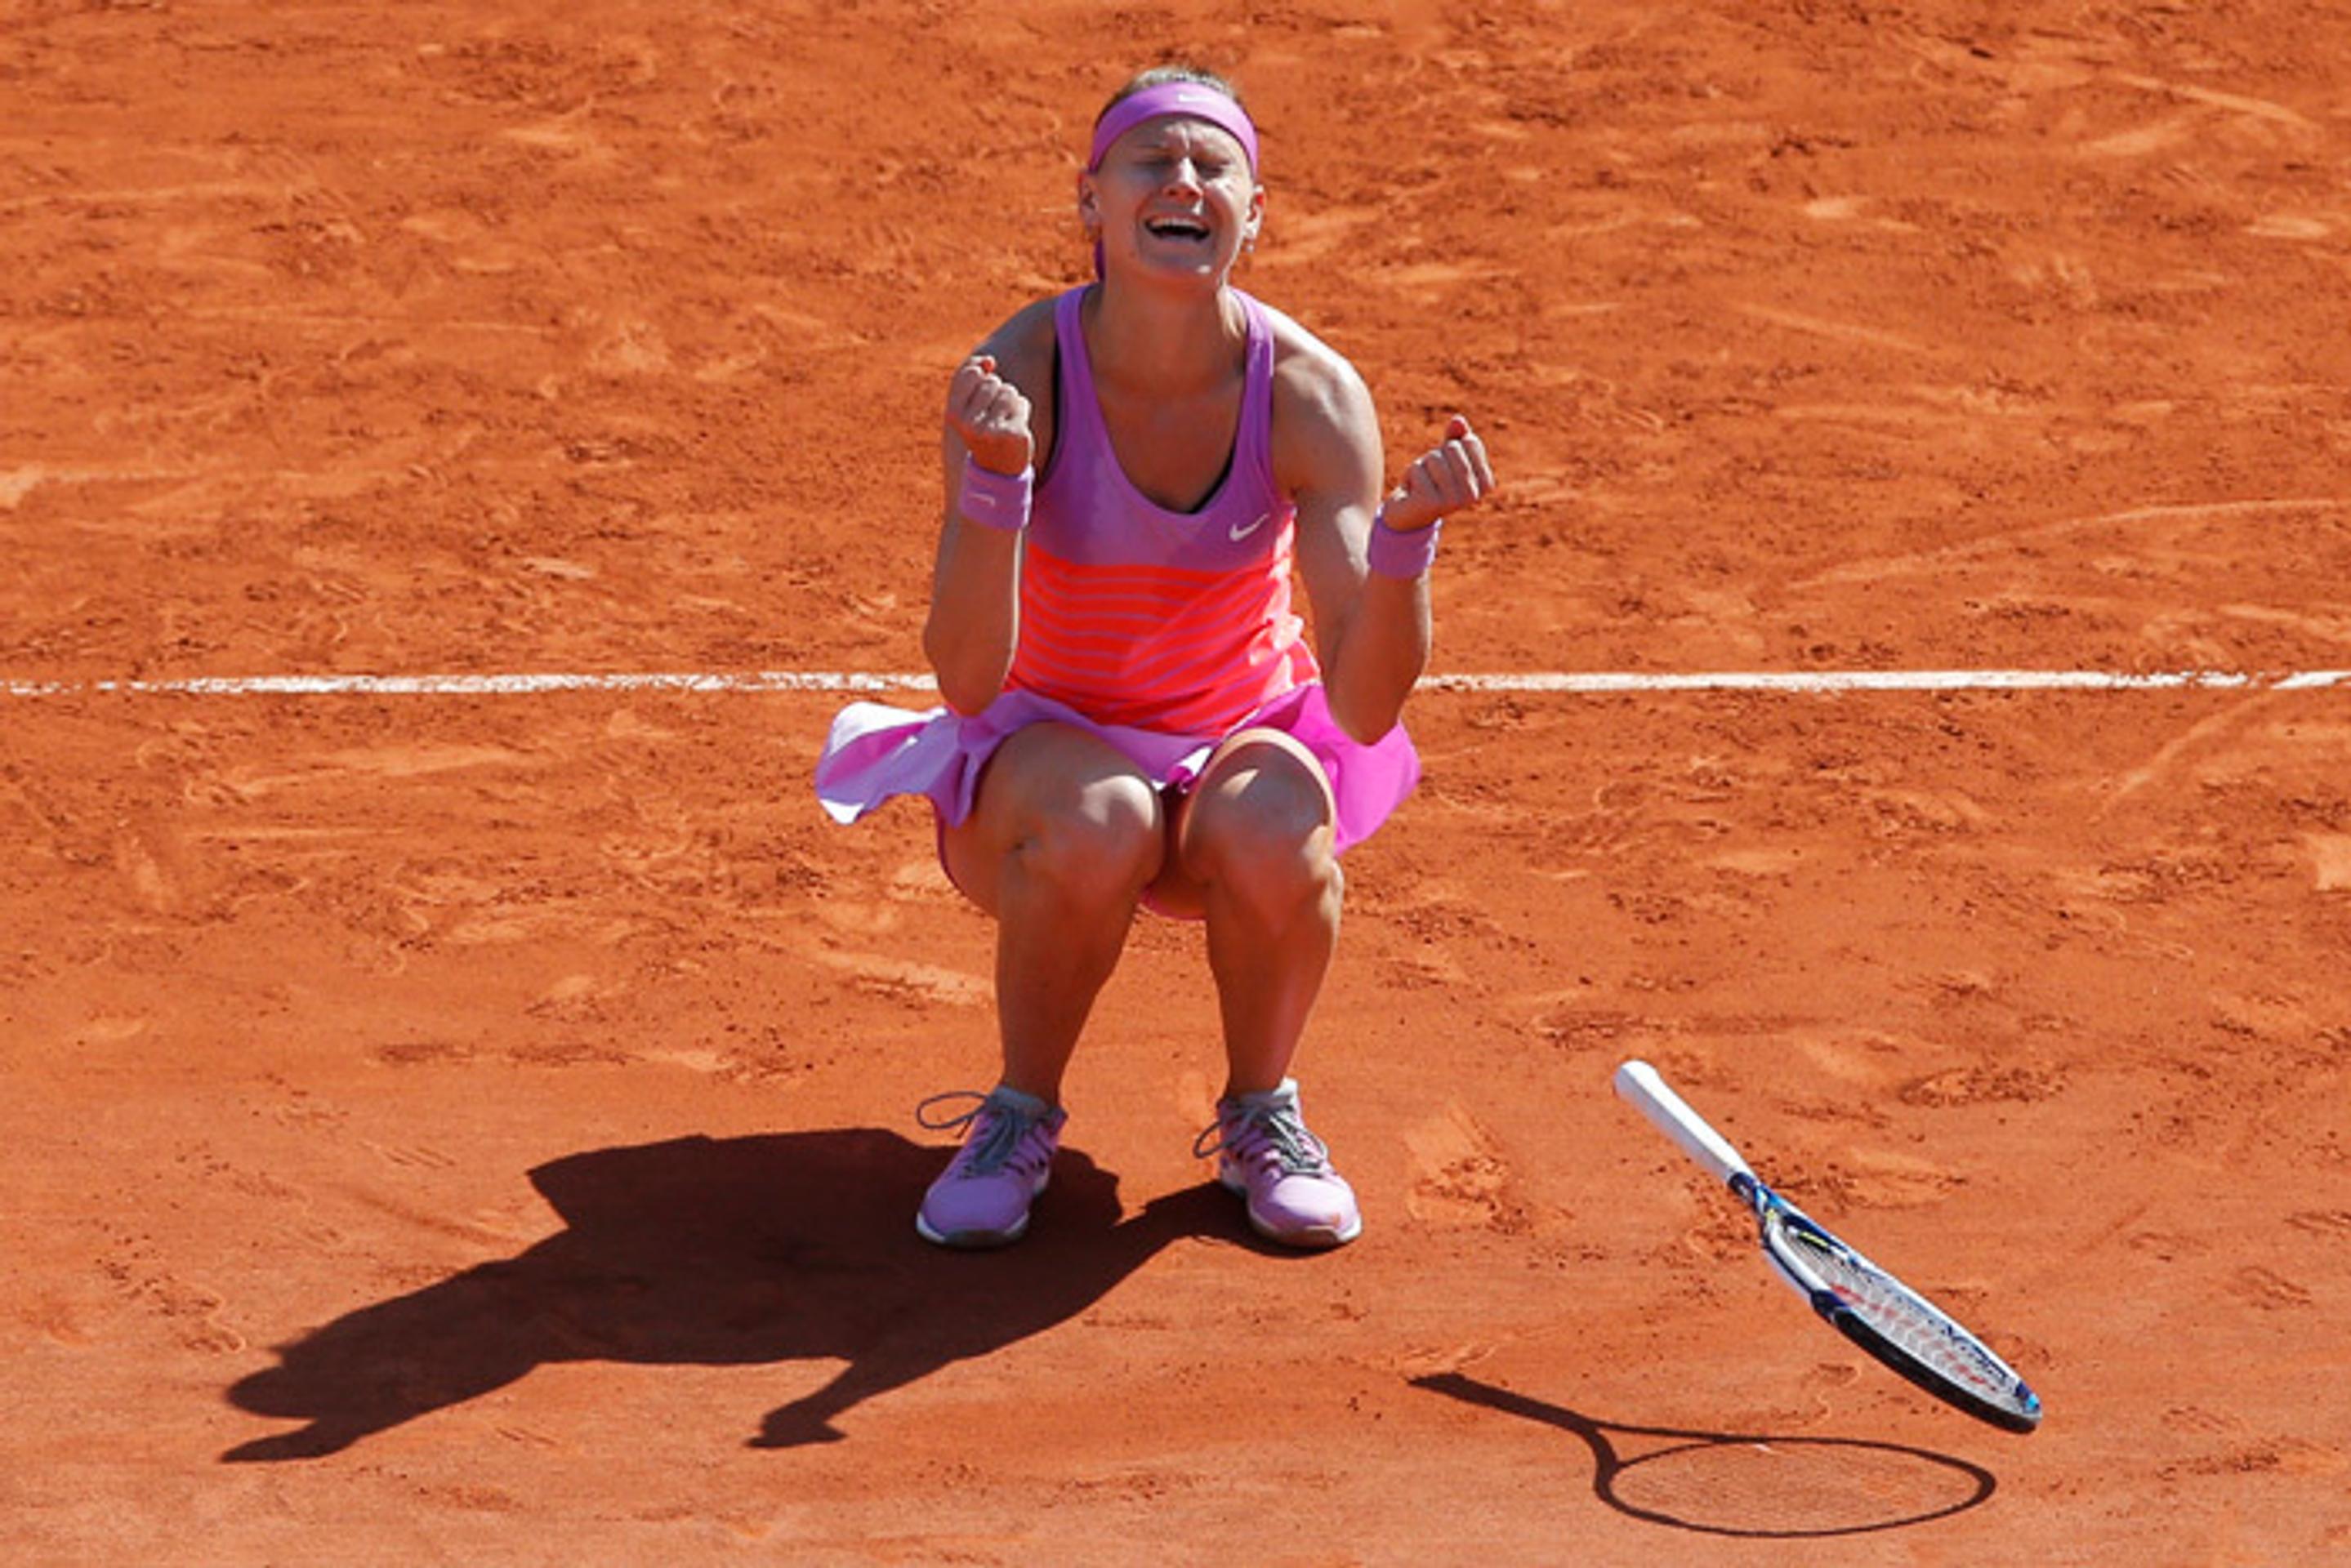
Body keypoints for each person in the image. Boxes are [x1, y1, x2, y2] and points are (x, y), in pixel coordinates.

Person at [815, 65, 1497, 1251]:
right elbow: (968, 679)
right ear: (1090, 202)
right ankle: (1018, 1114)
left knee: (1280, 816)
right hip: (1042, 765)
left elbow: (1365, 703)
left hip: (1233, 746)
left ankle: (1260, 1116)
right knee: (1098, 814)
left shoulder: (1309, 394)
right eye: (1151, 161)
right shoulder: (1016, 372)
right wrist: (993, 483)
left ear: (1253, 211)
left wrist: (1403, 549)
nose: (1182, 182)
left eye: (1210, 165)